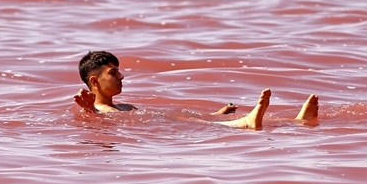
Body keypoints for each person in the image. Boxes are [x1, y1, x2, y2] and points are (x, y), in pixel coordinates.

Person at [75, 50, 318, 129]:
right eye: (113, 73)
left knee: (189, 118)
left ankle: (295, 123)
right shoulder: (98, 111)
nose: (121, 76)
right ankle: (246, 123)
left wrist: (215, 114)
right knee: (191, 125)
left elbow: (173, 117)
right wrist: (89, 112)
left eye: (119, 71)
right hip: (164, 133)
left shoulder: (125, 107)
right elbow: (98, 128)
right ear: (95, 82)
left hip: (168, 124)